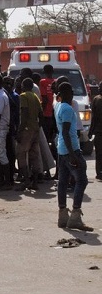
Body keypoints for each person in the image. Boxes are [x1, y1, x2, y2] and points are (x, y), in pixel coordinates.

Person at [54, 82, 94, 231]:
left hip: (61, 149)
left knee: (63, 182)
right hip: (70, 149)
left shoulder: (58, 106)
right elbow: (65, 132)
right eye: (71, 91)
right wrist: (72, 155)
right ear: (67, 93)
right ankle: (75, 215)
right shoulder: (67, 109)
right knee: (82, 181)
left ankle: (63, 215)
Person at [15, 78, 43, 191]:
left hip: (26, 129)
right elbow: (41, 114)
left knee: (21, 154)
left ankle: (26, 181)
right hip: (35, 129)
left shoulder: (23, 96)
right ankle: (34, 182)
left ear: (23, 85)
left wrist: (20, 130)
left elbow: (24, 114)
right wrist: (38, 126)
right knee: (34, 156)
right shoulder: (35, 96)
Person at [89, 89, 102, 180]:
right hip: (98, 131)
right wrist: (91, 131)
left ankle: (99, 172)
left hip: (98, 131)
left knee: (99, 153)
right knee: (99, 153)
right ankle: (99, 172)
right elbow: (93, 117)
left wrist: (91, 131)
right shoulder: (96, 100)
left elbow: (93, 117)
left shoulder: (96, 100)